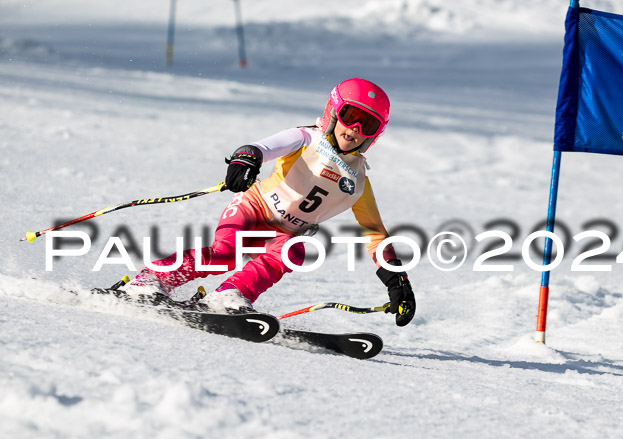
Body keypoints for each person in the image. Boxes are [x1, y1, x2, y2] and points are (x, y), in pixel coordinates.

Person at [127, 78, 416, 326]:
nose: (354, 129)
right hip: (253, 208)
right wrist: (246, 158)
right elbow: (264, 147)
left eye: (367, 125)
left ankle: (228, 295)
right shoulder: (306, 138)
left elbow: (374, 233)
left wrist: (396, 279)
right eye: (350, 115)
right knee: (225, 252)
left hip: (283, 234)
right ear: (333, 111)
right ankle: (152, 279)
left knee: (294, 252)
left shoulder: (358, 182)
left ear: (375, 134)